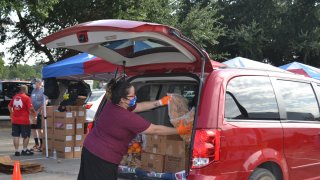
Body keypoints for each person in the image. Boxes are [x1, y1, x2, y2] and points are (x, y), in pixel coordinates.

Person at [78, 79, 191, 180]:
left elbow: (138, 106)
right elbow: (155, 130)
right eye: (132, 96)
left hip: (90, 148)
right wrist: (179, 130)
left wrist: (160, 102)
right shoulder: (126, 117)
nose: (135, 97)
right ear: (123, 99)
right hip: (102, 158)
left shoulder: (113, 104)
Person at [8, 85, 36, 156]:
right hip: (24, 120)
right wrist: (34, 115)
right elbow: (31, 108)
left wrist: (12, 113)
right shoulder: (26, 98)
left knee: (16, 136)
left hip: (15, 120)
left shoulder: (14, 97)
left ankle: (16, 151)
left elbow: (9, 106)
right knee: (26, 136)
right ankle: (24, 150)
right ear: (25, 90)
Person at [30, 78, 47, 152]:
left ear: (39, 83)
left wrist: (38, 111)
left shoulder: (43, 90)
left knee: (40, 129)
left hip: (40, 113)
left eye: (35, 83)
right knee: (33, 129)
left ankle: (42, 145)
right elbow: (31, 101)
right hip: (33, 113)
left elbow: (45, 102)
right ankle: (36, 144)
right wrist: (32, 111)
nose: (34, 84)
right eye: (34, 83)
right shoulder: (33, 90)